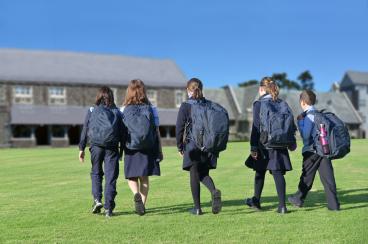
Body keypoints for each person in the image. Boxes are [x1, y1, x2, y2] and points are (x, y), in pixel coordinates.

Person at [245, 77, 296, 214]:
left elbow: (255, 127)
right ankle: (282, 206)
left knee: (259, 172)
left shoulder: (259, 104)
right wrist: (292, 142)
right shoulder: (282, 103)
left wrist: (253, 147)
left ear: (261, 89)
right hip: (281, 144)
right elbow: (291, 124)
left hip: (264, 144)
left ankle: (256, 201)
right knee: (278, 173)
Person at [176, 78, 222, 216]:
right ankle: (214, 191)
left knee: (194, 175)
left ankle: (197, 208)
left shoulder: (186, 106)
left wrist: (180, 146)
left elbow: (179, 128)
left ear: (188, 90)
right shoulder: (209, 105)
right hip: (208, 146)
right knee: (203, 174)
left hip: (193, 146)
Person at [288, 90, 340, 211]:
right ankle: (334, 205)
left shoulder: (309, 116)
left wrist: (300, 122)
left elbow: (306, 136)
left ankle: (298, 198)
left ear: (302, 102)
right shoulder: (319, 114)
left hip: (312, 151)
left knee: (307, 176)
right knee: (328, 178)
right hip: (324, 149)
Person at [79, 86, 125, 218]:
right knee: (111, 177)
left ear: (98, 96)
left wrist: (81, 148)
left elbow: (85, 129)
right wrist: (122, 150)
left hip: (96, 146)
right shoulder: (117, 112)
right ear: (111, 97)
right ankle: (109, 208)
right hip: (112, 147)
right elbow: (122, 132)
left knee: (96, 173)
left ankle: (97, 200)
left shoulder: (92, 110)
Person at [121, 79, 163, 216]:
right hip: (148, 146)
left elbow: (121, 131)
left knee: (131, 177)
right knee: (144, 178)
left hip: (131, 146)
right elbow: (157, 131)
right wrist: (160, 150)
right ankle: (142, 205)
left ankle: (136, 194)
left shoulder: (124, 109)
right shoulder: (152, 109)